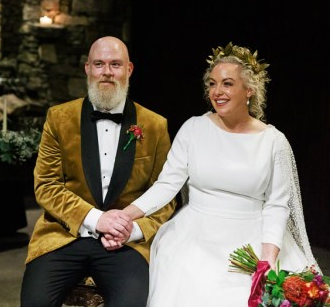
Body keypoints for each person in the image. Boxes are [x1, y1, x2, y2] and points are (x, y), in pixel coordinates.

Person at [115, 42, 319, 306]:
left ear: (250, 90)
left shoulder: (274, 141)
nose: (217, 92)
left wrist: (266, 261)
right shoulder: (193, 129)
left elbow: (278, 205)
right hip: (194, 235)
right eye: (212, 84)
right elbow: (168, 184)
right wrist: (125, 214)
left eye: (227, 83)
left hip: (253, 237)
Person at [20, 36, 176, 307]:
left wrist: (134, 230)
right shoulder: (58, 118)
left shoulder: (155, 125)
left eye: (115, 64)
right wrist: (96, 219)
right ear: (87, 69)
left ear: (129, 70)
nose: (106, 72)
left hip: (126, 243)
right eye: (99, 64)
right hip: (63, 235)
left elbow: (165, 196)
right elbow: (46, 186)